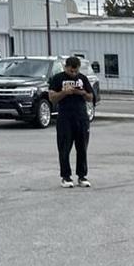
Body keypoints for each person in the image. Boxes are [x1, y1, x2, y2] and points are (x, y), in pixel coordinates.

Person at [48, 56, 94, 188]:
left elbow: (90, 97)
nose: (73, 74)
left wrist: (82, 93)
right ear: (65, 67)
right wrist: (64, 92)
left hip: (81, 117)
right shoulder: (57, 79)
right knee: (64, 148)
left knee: (82, 148)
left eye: (75, 71)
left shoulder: (83, 79)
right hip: (65, 118)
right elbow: (52, 98)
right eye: (70, 71)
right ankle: (66, 176)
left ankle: (82, 176)